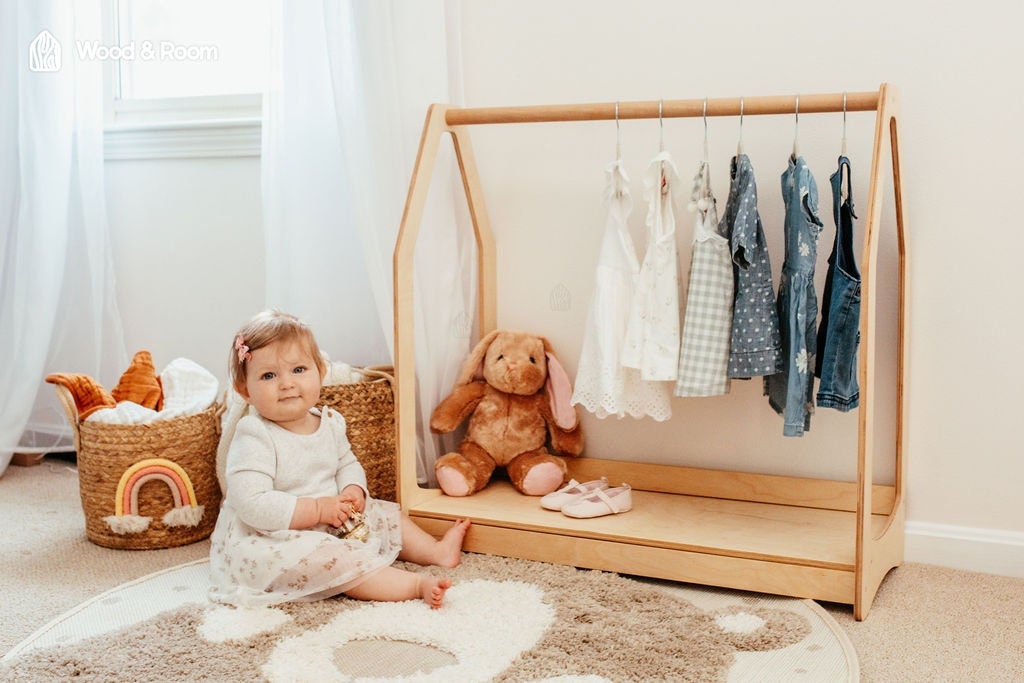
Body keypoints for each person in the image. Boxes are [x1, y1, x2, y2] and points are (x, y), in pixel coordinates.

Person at [209, 309, 470, 609]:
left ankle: (436, 552)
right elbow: (251, 502)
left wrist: (352, 491)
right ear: (245, 391)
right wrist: (317, 509)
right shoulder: (254, 434)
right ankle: (412, 584)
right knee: (334, 559)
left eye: (298, 370)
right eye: (269, 375)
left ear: (320, 372)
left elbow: (347, 464)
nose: (287, 384)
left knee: (386, 514)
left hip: (334, 515)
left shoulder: (330, 422)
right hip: (277, 534)